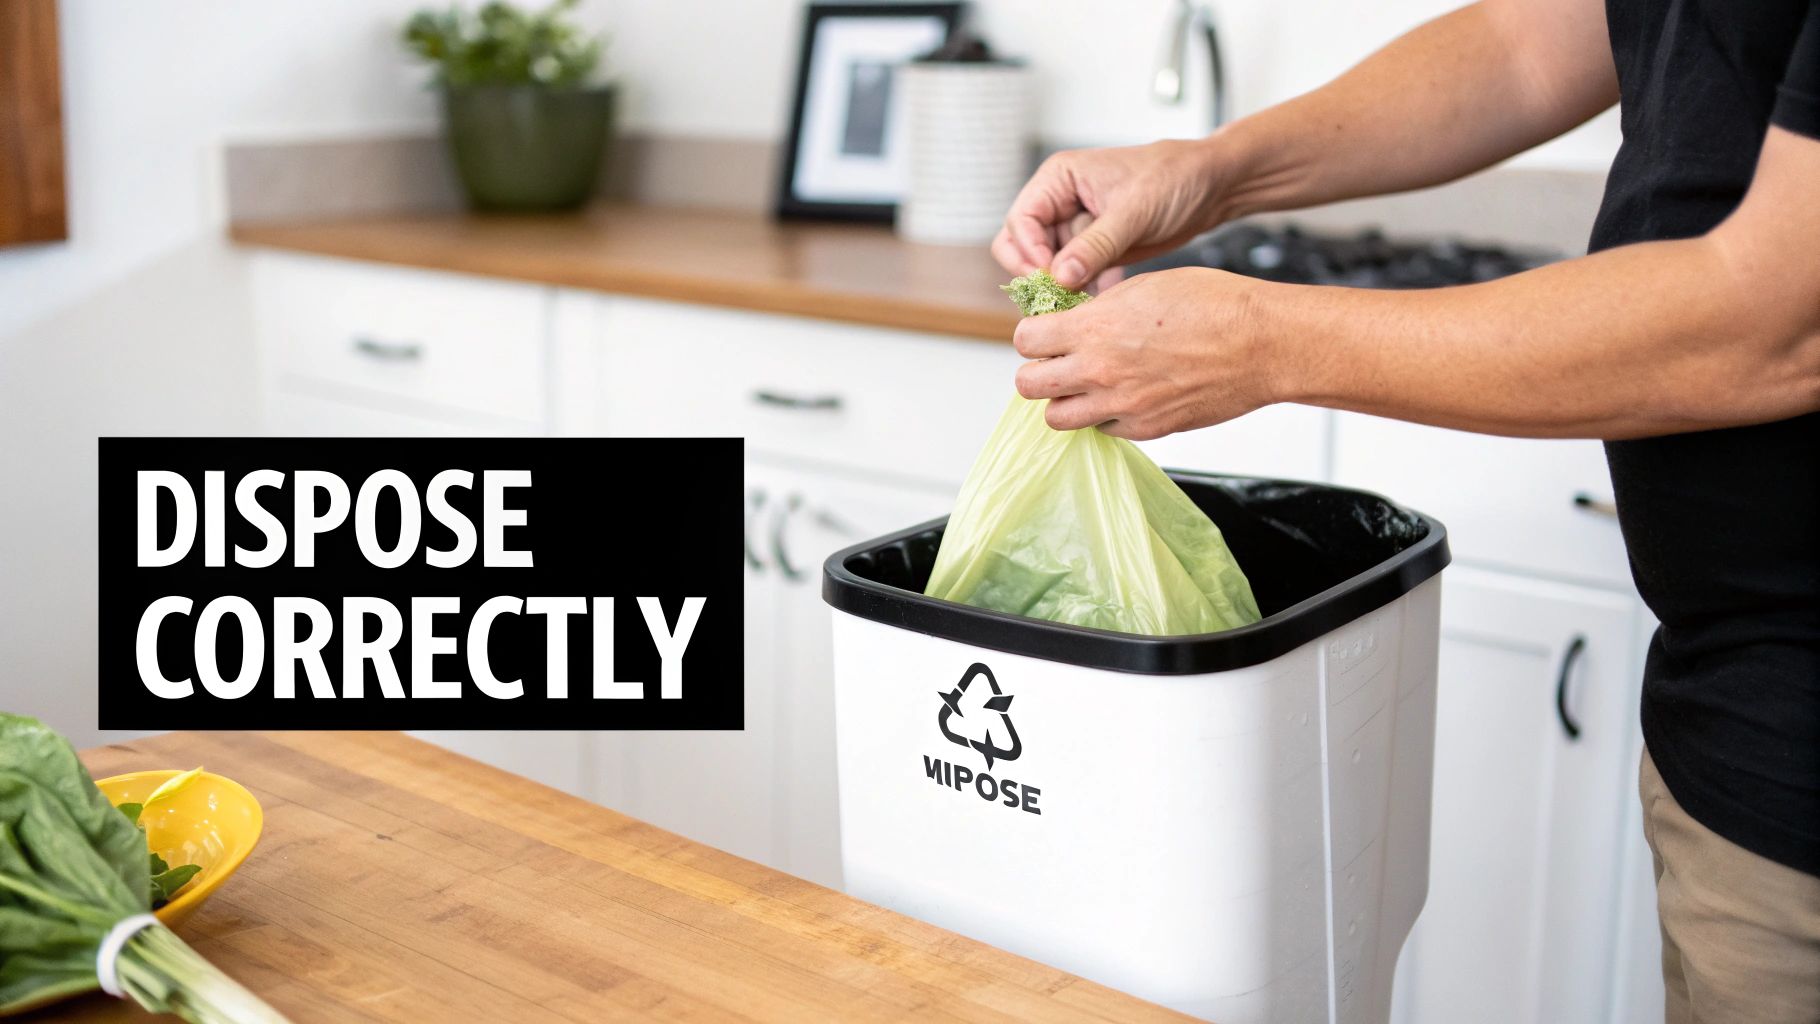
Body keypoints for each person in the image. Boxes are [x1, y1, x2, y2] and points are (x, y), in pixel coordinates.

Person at [991, 1, 1820, 1020]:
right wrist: (1216, 169)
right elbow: (1531, 46)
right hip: (1719, 718)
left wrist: (1262, 339)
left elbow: (1781, 321)